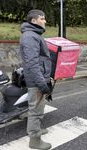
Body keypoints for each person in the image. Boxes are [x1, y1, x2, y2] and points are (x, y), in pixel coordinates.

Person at [20, 9, 52, 150]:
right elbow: (32, 63)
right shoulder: (30, 36)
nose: (45, 21)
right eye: (42, 18)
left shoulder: (33, 34)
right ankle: (35, 140)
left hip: (38, 78)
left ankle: (37, 129)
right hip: (36, 80)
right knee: (36, 110)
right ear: (34, 21)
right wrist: (42, 84)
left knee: (39, 107)